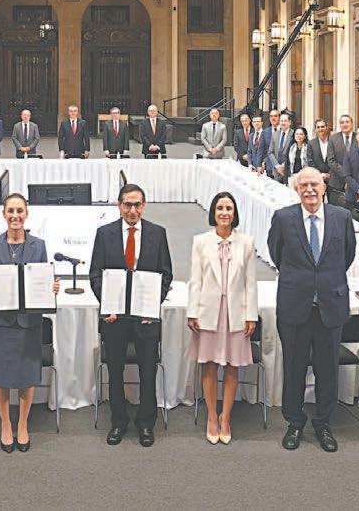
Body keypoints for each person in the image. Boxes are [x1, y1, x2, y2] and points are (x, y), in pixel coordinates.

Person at [267, 167, 357, 452]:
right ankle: (294, 422)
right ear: (296, 189)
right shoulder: (283, 218)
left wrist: (323, 282)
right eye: (303, 185)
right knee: (293, 368)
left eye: (314, 184)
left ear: (324, 187)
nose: (309, 189)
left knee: (327, 370)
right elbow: (276, 254)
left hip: (330, 305)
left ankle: (323, 423)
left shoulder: (342, 217)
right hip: (295, 305)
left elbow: (348, 255)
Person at [89, 184, 173, 448]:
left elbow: (166, 274)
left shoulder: (158, 233)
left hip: (145, 317)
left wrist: (152, 306)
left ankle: (146, 423)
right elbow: (95, 274)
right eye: (128, 204)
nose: (132, 210)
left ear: (144, 206)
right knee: (115, 371)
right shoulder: (105, 234)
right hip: (114, 318)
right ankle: (118, 421)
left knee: (148, 370)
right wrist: (107, 305)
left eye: (137, 204)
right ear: (119, 205)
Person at [0, 194, 60, 452]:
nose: (15, 216)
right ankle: (5, 424)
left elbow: (42, 278)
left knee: (27, 375)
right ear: (4, 214)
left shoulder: (39, 245)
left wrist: (51, 287)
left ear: (26, 213)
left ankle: (23, 424)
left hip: (29, 321)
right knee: (1, 375)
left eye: (19, 211)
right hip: (2, 321)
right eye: (10, 211)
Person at [187, 192, 257, 444]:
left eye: (228, 208)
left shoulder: (246, 242)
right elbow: (195, 280)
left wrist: (251, 315)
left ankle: (225, 417)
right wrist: (192, 311)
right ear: (213, 213)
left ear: (235, 213)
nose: (224, 213)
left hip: (235, 313)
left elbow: (250, 283)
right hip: (208, 312)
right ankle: (211, 417)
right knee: (209, 365)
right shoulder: (200, 242)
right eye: (220, 208)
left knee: (232, 366)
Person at [325, 114, 356, 207]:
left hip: (356, 182)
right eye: (342, 122)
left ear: (352, 124)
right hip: (336, 183)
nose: (345, 124)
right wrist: (346, 174)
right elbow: (331, 160)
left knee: (354, 211)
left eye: (347, 122)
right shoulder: (333, 138)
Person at [265, 112, 293, 182]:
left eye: (285, 121)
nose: (283, 123)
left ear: (289, 122)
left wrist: (284, 165)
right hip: (276, 171)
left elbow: (294, 152)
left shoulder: (294, 134)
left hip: (289, 170)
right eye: (281, 121)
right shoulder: (275, 134)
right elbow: (270, 152)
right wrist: (277, 165)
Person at [307, 119, 333, 185]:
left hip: (332, 179)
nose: (320, 129)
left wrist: (329, 174)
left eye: (322, 127)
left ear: (326, 127)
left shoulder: (334, 142)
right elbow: (310, 161)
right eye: (318, 127)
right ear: (315, 129)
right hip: (317, 179)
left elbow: (337, 159)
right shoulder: (311, 143)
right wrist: (320, 174)